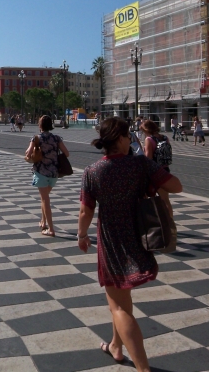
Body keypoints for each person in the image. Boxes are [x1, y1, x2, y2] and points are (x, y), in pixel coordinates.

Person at [78, 117, 182, 371]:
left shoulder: (93, 171)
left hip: (111, 239)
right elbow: (176, 186)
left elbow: (86, 212)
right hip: (137, 236)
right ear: (121, 139)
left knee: (117, 306)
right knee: (121, 299)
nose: (131, 140)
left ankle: (143, 367)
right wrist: (150, 180)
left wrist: (82, 235)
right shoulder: (139, 164)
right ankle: (116, 346)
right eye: (128, 136)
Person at [25, 115, 70, 237]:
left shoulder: (36, 138)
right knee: (44, 198)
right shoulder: (56, 138)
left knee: (45, 200)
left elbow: (28, 155)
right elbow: (67, 153)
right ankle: (43, 222)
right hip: (54, 173)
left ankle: (51, 229)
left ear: (40, 126)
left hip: (41, 172)